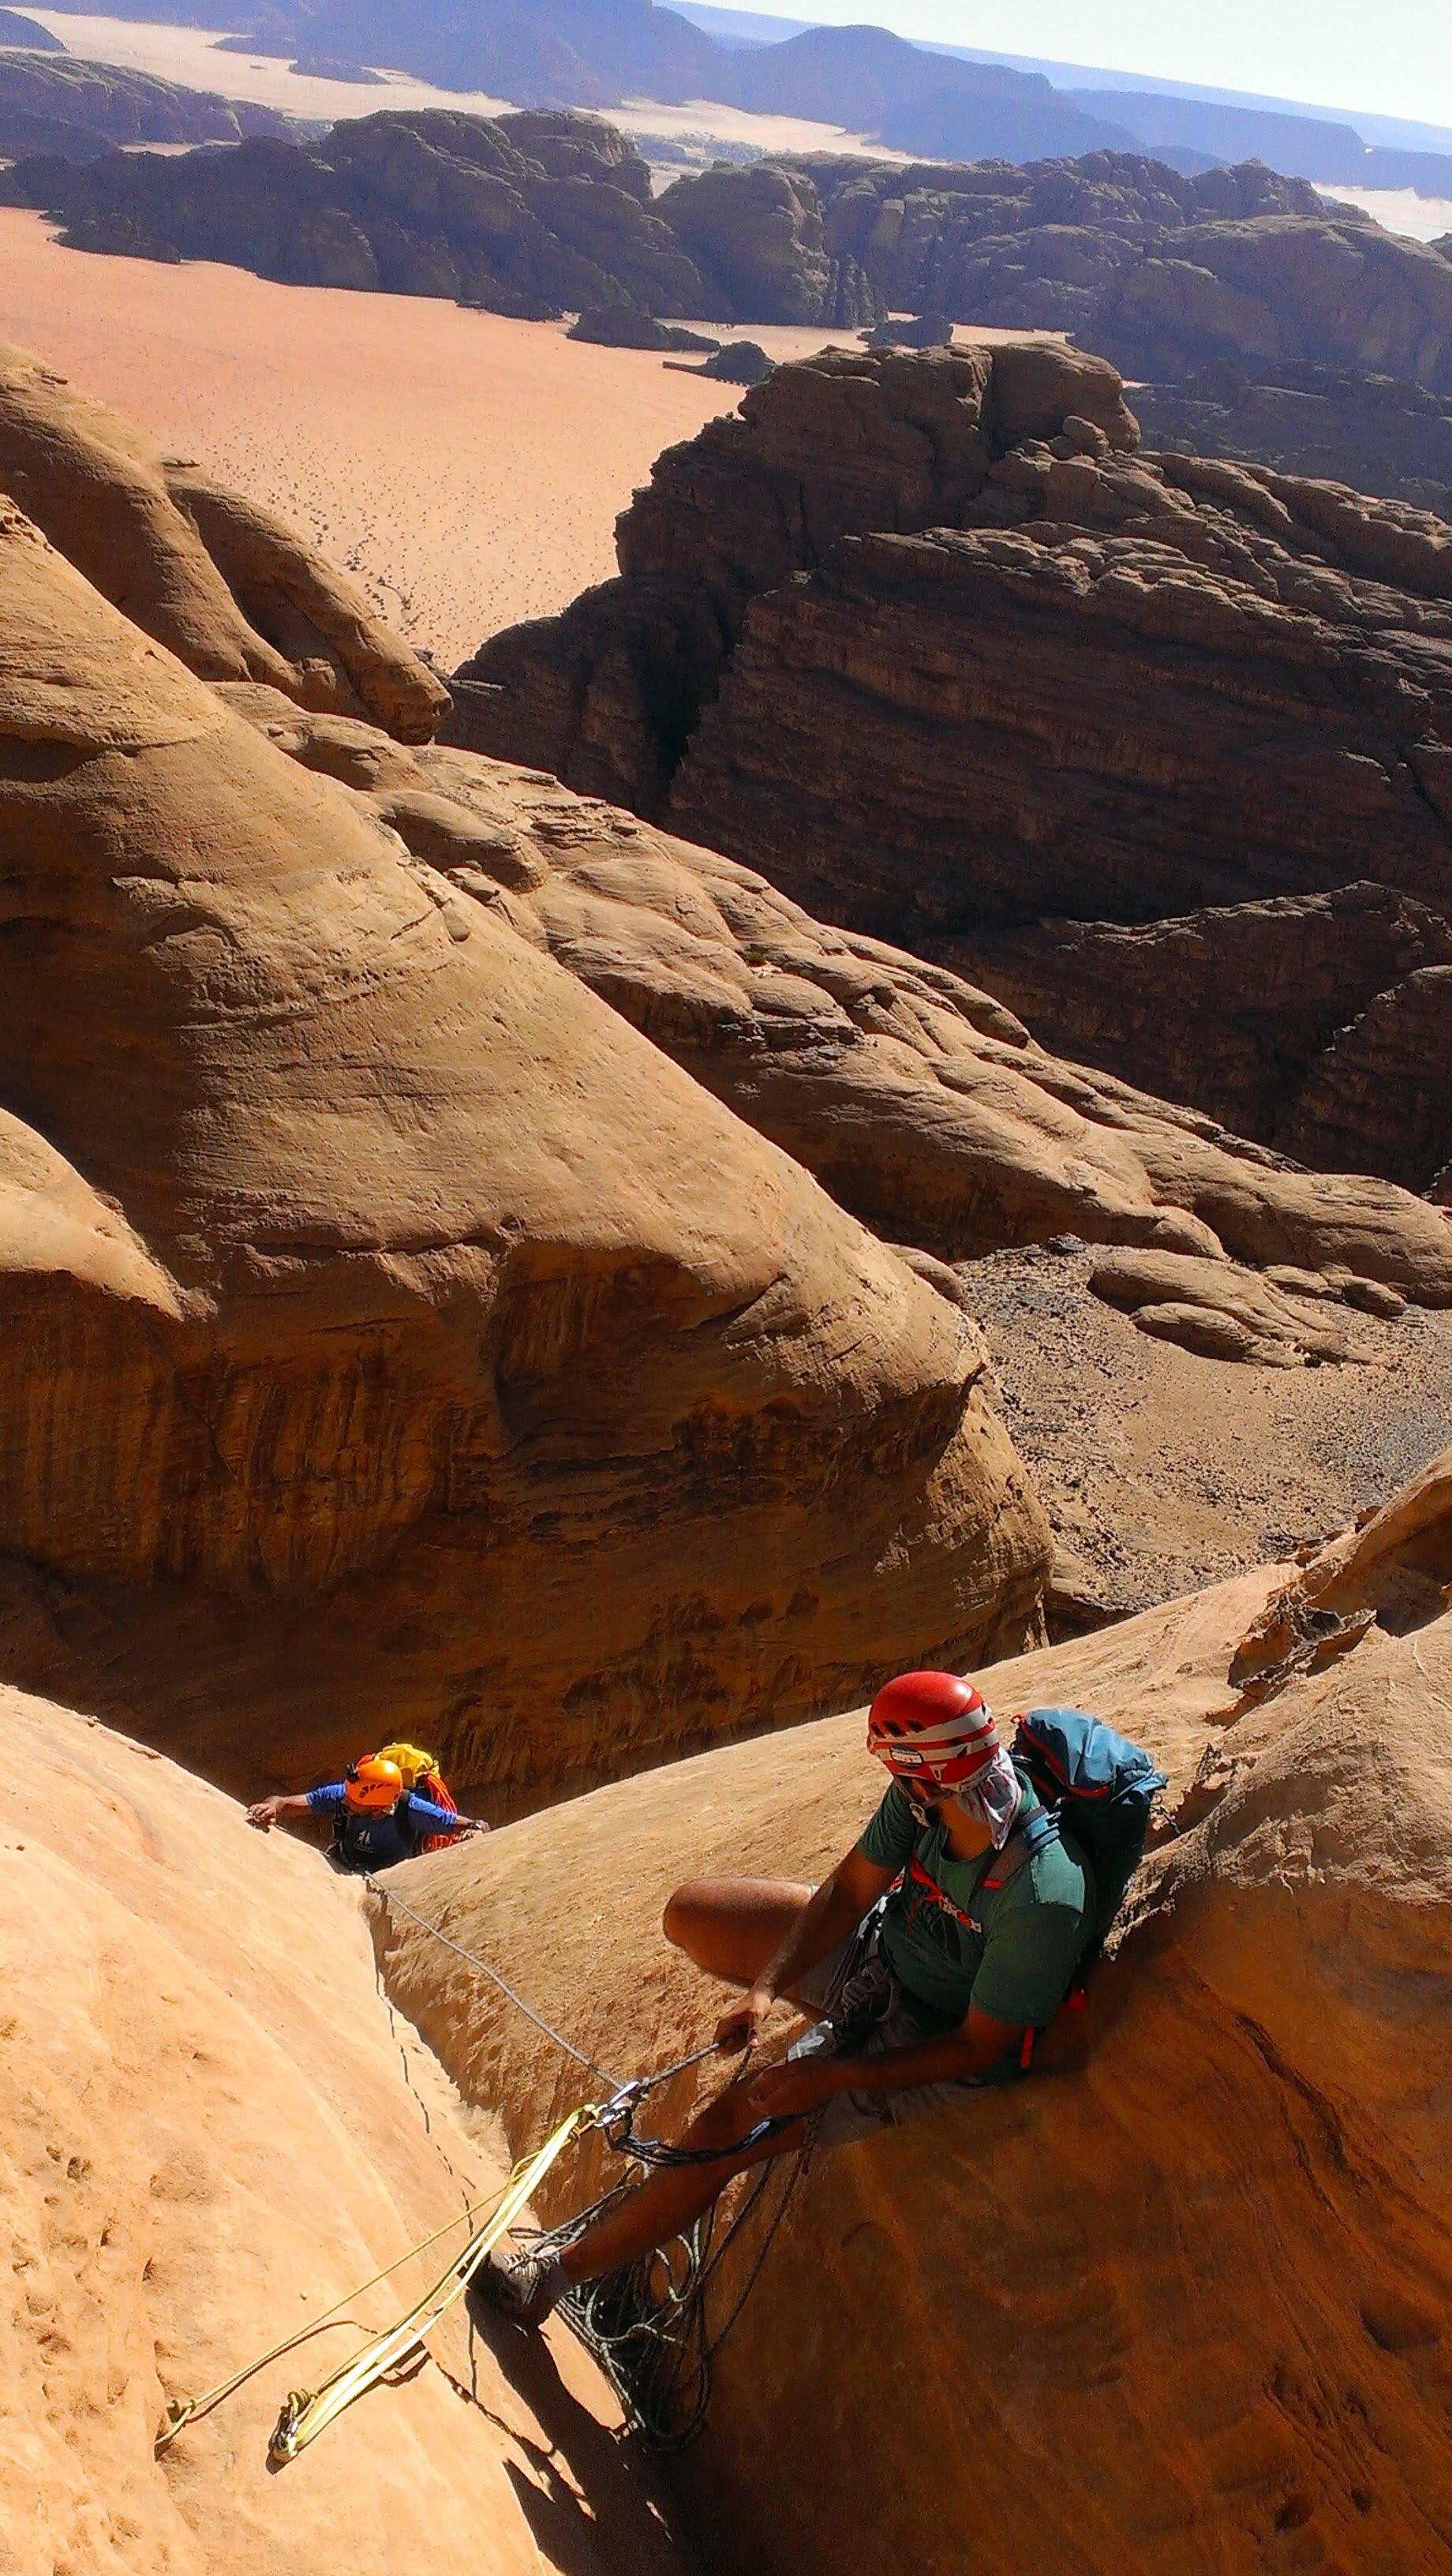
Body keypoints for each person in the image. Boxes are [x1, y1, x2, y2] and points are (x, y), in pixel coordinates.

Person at [477, 1670, 1091, 2329]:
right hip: (888, 1951)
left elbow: (978, 2045)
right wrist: (767, 1988)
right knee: (697, 1913)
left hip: (939, 2035)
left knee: (728, 2124)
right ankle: (818, 2009)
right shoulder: (928, 1798)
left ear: (925, 1772)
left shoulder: (1042, 1895)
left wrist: (830, 2075)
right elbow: (851, 1891)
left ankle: (553, 2276)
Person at [246, 1755, 489, 1874]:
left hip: (388, 1880)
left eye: (352, 1803)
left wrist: (476, 1832)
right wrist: (272, 1806)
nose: (344, 1802)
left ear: (376, 1810)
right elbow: (286, 1803)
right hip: (343, 1862)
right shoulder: (349, 1792)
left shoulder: (412, 1809)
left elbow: (471, 1824)